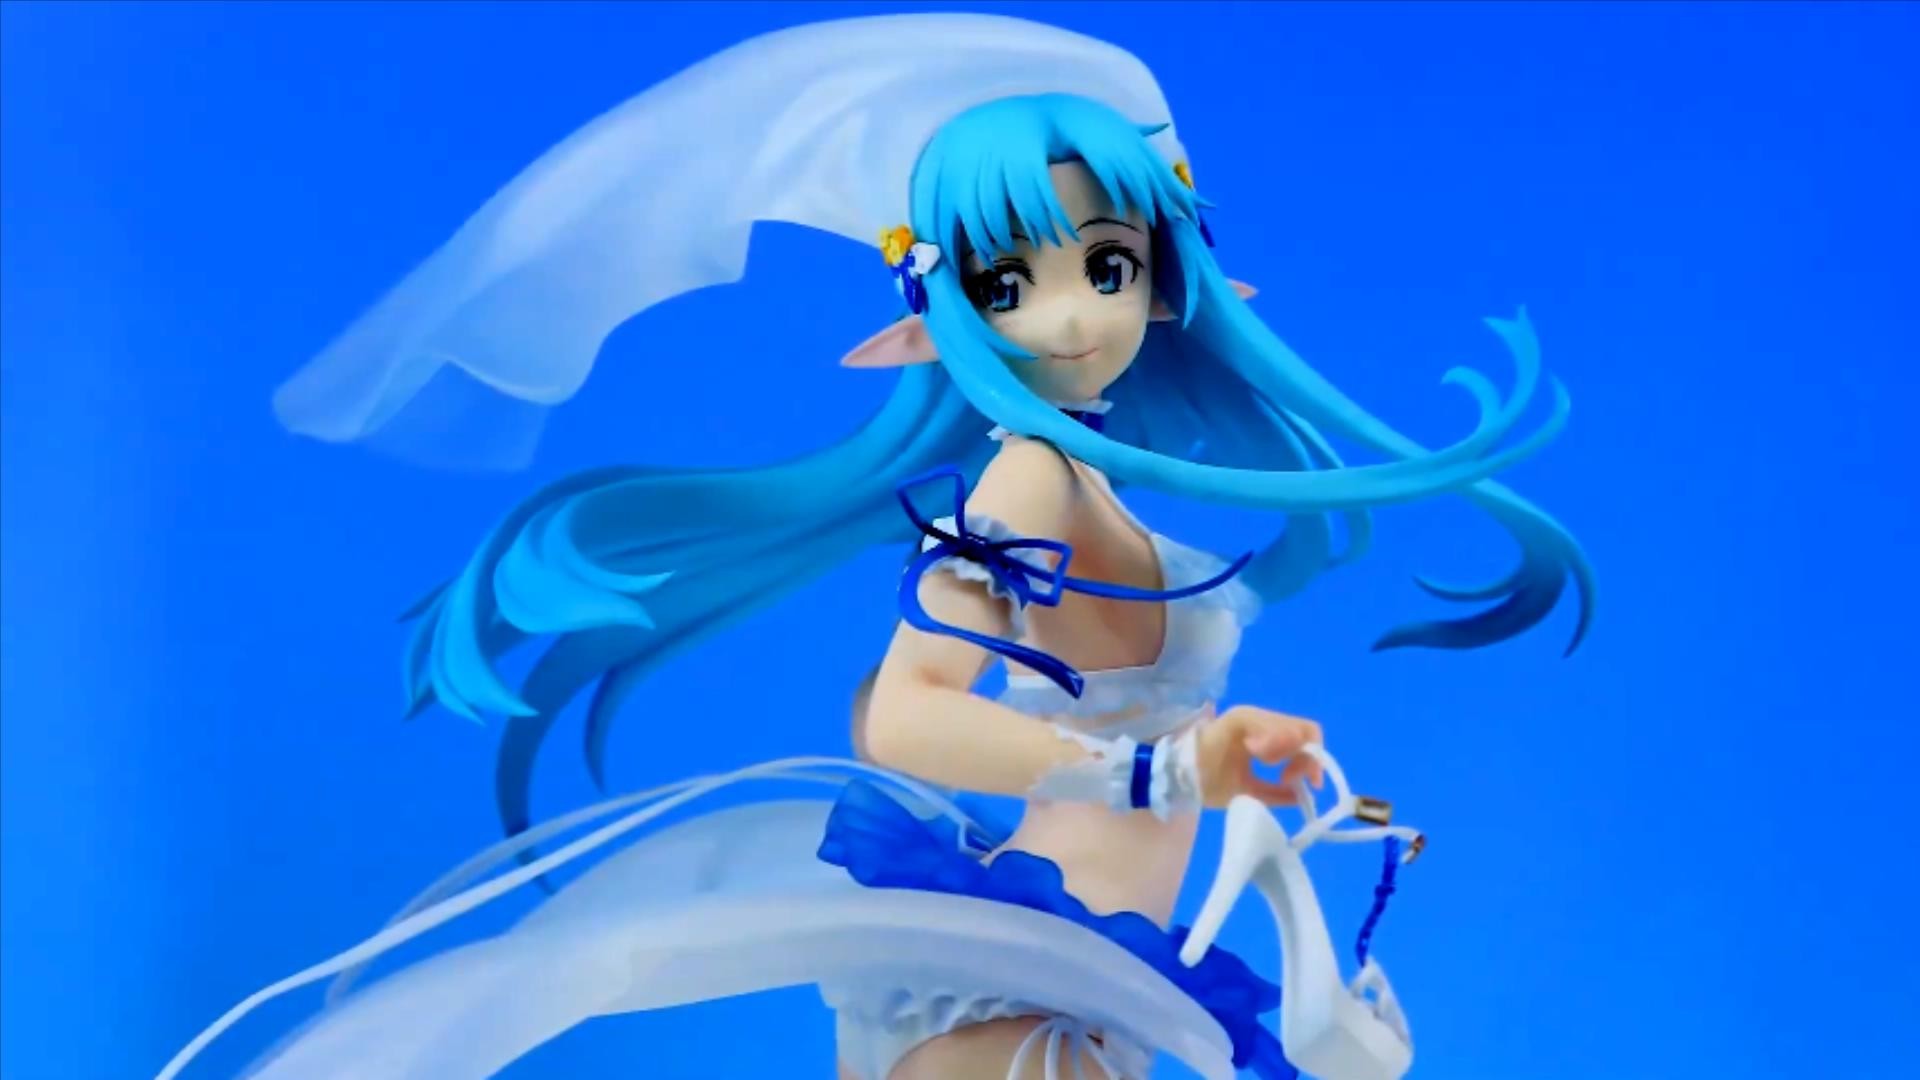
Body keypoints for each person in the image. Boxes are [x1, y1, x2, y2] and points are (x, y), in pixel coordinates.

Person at [161, 13, 1591, 1080]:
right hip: (1032, 983)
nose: (1070, 314)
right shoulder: (1027, 483)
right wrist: (1167, 768)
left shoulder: (1091, 493)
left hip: (1094, 972)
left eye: (1105, 264)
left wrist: (1228, 753)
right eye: (1009, 281)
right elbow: (903, 717)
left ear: (1167, 276)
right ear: (941, 313)